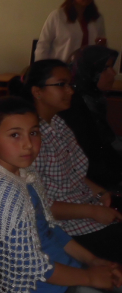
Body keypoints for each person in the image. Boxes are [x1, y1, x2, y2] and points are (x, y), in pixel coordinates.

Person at [0, 96, 122, 293]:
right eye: (15, 135)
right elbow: (32, 268)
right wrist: (90, 278)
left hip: (65, 272)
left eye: (34, 133)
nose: (29, 145)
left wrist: (91, 261)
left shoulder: (25, 174)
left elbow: (52, 229)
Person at [11, 59, 122, 264]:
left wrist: (100, 191)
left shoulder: (58, 123)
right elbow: (37, 205)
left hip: (82, 204)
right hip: (64, 225)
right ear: (37, 92)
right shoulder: (31, 137)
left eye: (70, 85)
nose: (70, 91)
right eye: (61, 85)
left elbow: (72, 171)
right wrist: (94, 211)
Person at [60, 45, 122, 188]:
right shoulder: (74, 105)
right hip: (92, 182)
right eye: (106, 68)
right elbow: (93, 156)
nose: (113, 73)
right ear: (89, 71)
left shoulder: (93, 99)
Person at [35, 0, 106, 62]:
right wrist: (41, 70)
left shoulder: (97, 18)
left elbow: (101, 47)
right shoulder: (58, 16)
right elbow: (43, 46)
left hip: (87, 71)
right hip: (61, 69)